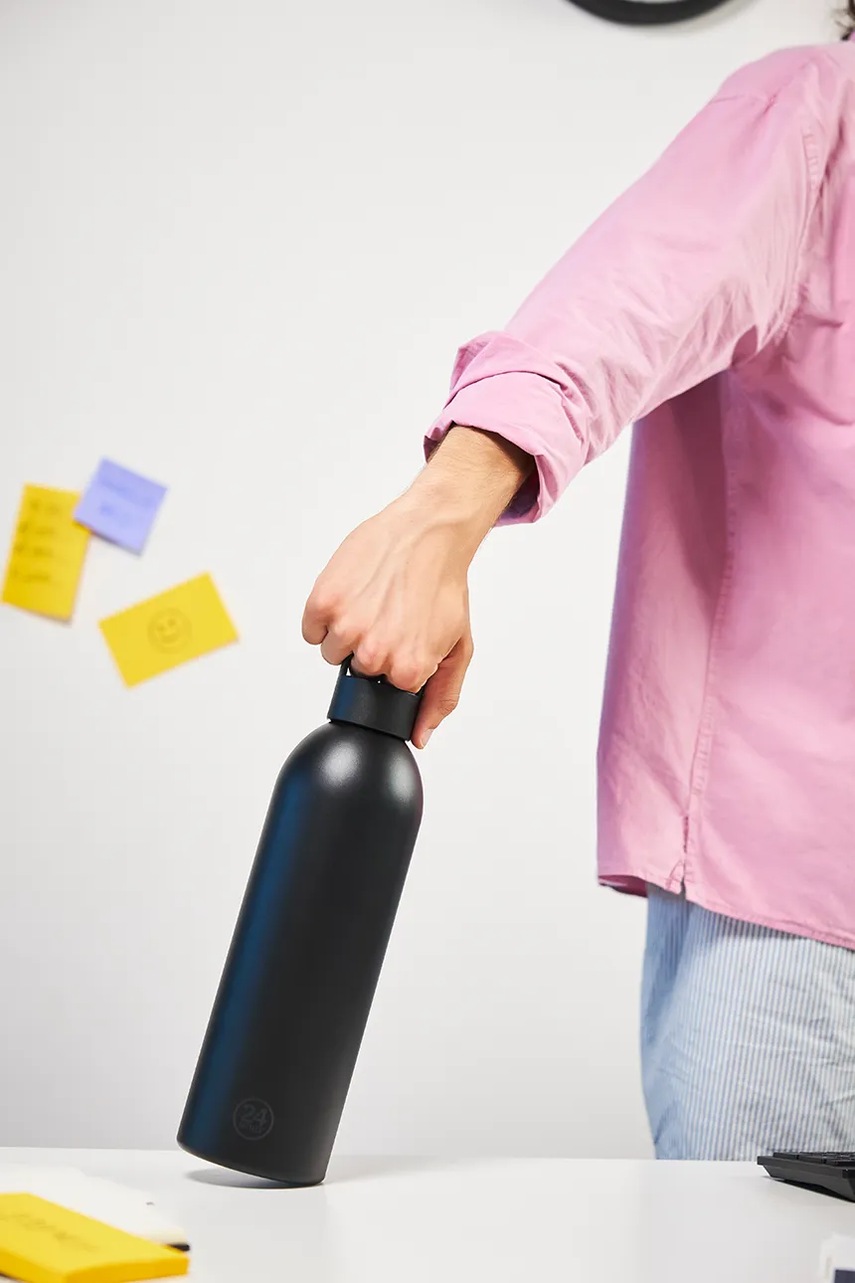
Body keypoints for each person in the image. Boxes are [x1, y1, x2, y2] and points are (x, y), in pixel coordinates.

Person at [302, 26, 855, 1161]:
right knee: (756, 1244)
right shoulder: (819, 116)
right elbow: (621, 305)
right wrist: (442, 510)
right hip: (805, 915)